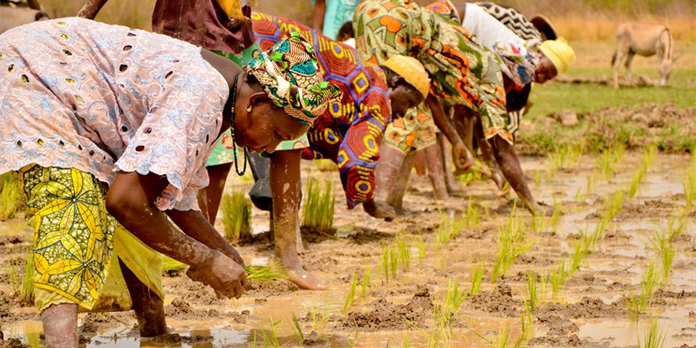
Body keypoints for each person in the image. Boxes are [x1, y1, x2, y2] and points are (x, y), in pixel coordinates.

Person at [0, 17, 339, 348]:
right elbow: (125, 202)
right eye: (277, 134)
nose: (271, 149)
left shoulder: (222, 96)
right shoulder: (202, 94)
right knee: (76, 205)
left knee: (145, 217)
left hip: (62, 84)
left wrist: (222, 250)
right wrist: (204, 259)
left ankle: (155, 332)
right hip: (33, 75)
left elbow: (171, 197)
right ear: (257, 103)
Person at [354, 0, 551, 216]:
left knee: (383, 104)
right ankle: (376, 202)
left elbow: (426, 94)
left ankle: (388, 201)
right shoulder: (493, 84)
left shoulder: (468, 53)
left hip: (373, 8)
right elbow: (503, 151)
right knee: (399, 116)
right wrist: (531, 203)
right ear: (512, 85)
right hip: (388, 25)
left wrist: (457, 142)